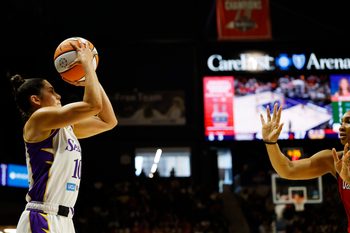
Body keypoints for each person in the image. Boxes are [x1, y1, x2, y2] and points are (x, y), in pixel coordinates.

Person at [12, 39, 118, 233]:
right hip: (42, 216)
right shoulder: (38, 119)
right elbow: (92, 105)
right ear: (36, 100)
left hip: (65, 219)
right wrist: (87, 65)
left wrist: (91, 75)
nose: (59, 96)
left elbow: (108, 121)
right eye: (52, 91)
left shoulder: (66, 127)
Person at [260, 102, 350, 232]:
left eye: (348, 122)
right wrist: (270, 143)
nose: (341, 127)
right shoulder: (334, 159)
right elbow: (287, 170)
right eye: (341, 122)